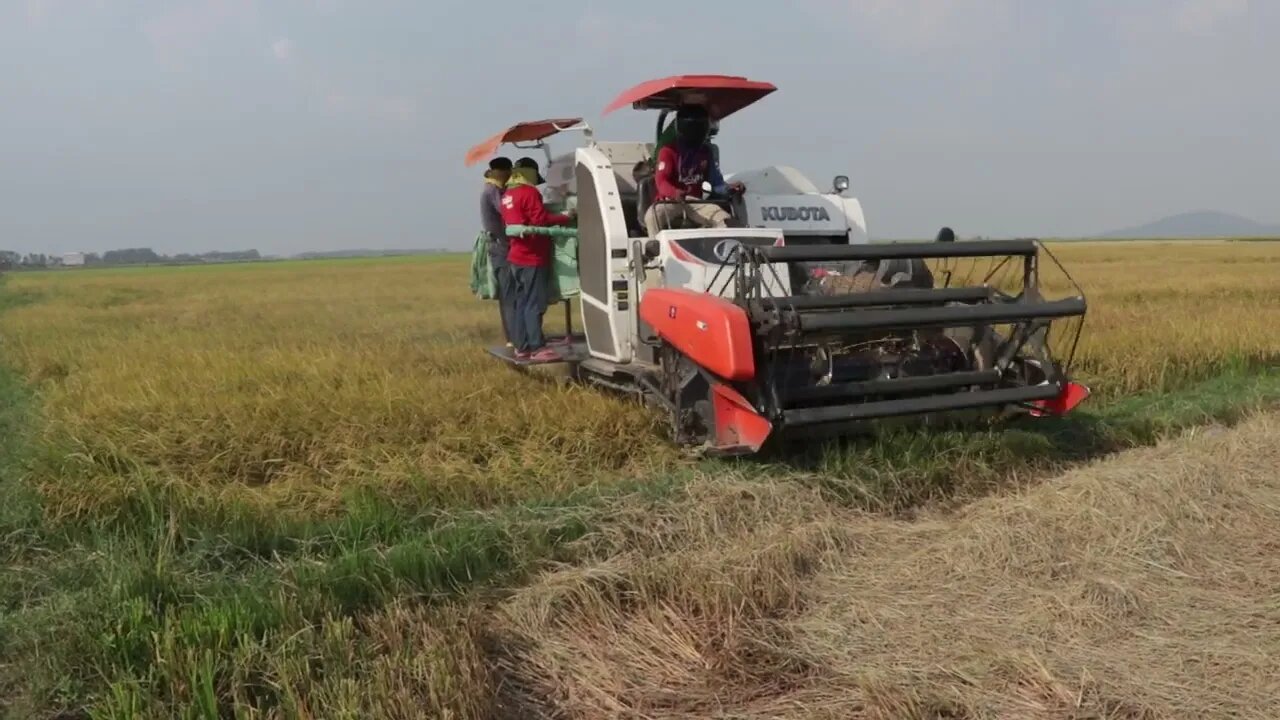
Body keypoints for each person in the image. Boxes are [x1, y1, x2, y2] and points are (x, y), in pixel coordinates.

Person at [500, 156, 574, 361]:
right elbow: (540, 220)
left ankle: (521, 346)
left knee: (521, 302)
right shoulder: (529, 192)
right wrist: (566, 216)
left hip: (516, 256)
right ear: (530, 173)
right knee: (534, 302)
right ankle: (537, 348)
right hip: (532, 256)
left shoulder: (508, 194)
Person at [644, 104, 744, 237]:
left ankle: (720, 252)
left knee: (724, 219)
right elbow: (661, 182)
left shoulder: (705, 152)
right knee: (652, 216)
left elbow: (717, 184)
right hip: (670, 201)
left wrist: (730, 189)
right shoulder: (668, 151)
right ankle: (655, 250)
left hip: (695, 202)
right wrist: (675, 192)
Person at [480, 157, 515, 346]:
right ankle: (512, 338)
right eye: (509, 172)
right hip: (501, 247)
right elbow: (506, 210)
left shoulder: (492, 188)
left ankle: (512, 336)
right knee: (509, 294)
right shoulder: (493, 190)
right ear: (502, 172)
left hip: (499, 246)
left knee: (508, 294)